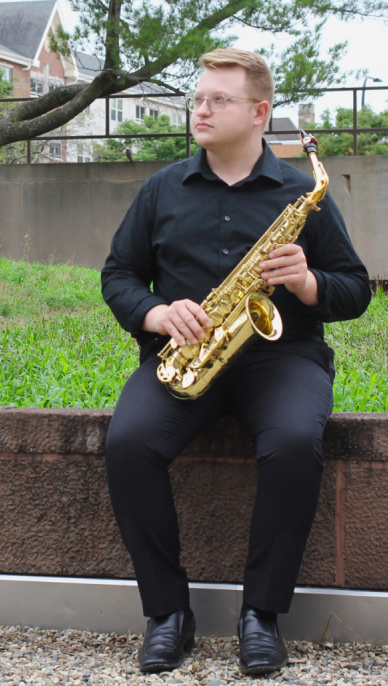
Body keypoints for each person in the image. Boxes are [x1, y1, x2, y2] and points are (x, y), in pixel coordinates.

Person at [101, 48, 371, 676]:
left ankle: (262, 615)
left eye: (217, 99)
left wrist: (307, 285)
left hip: (282, 357)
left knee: (294, 441)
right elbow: (118, 275)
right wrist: (156, 314)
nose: (200, 108)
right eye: (198, 98)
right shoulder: (160, 188)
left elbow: (355, 288)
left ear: (259, 112)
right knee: (129, 443)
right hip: (189, 353)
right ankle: (168, 614)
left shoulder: (303, 193)